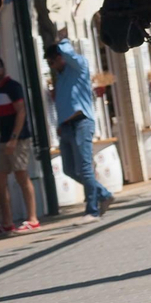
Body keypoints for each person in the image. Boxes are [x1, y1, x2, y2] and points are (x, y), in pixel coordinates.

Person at [45, 39, 113, 222]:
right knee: (69, 169)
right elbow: (62, 103)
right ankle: (104, 194)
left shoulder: (79, 68)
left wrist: (62, 41)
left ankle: (92, 210)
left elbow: (70, 54)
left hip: (81, 122)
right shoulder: (60, 78)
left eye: (52, 61)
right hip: (66, 127)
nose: (52, 66)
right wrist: (59, 124)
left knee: (84, 168)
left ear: (60, 57)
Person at [0, 57, 40, 235]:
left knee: (21, 176)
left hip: (18, 138)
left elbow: (21, 111)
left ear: (3, 68)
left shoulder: (12, 86)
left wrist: (14, 138)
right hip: (3, 139)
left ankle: (33, 219)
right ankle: (7, 222)